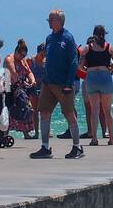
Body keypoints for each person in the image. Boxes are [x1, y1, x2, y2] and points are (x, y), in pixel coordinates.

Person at [31, 9, 85, 159]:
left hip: (63, 83)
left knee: (69, 114)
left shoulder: (68, 38)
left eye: (51, 19)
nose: (49, 21)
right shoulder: (49, 38)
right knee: (44, 112)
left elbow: (74, 62)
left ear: (59, 21)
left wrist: (69, 83)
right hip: (48, 83)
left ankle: (77, 147)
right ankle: (45, 147)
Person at [82, 26, 113, 147]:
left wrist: (87, 71)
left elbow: (79, 65)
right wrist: (110, 72)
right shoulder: (109, 47)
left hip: (91, 77)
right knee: (107, 110)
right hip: (105, 77)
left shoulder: (87, 48)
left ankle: (94, 139)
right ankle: (111, 138)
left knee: (94, 110)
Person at [5, 39, 37, 139]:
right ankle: (4, 134)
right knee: (9, 110)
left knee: (25, 108)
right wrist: (20, 82)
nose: (23, 57)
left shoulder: (22, 60)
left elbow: (29, 72)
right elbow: (13, 73)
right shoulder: (9, 59)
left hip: (21, 88)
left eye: (24, 56)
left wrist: (32, 80)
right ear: (16, 52)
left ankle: (26, 133)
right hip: (10, 87)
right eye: (21, 55)